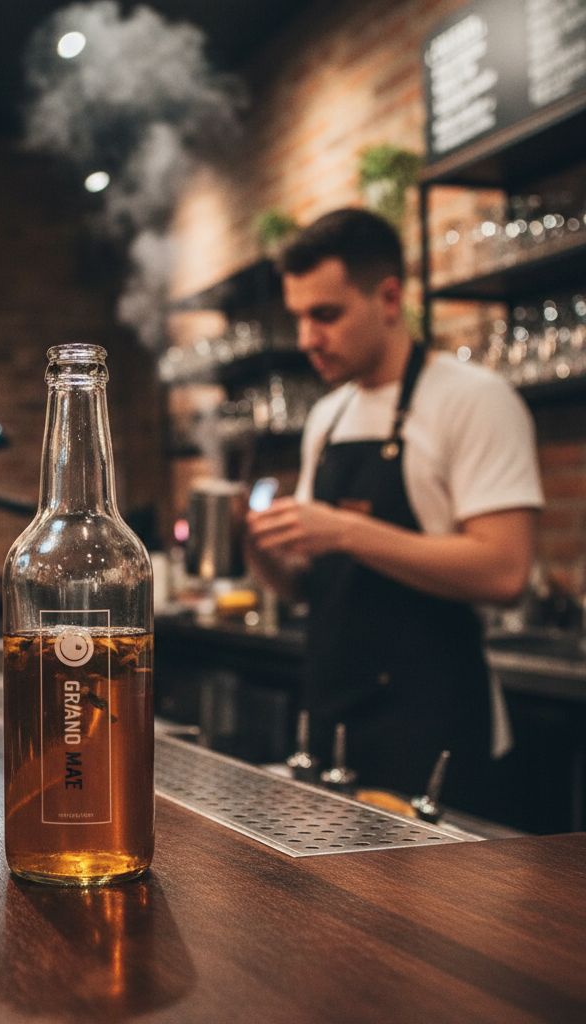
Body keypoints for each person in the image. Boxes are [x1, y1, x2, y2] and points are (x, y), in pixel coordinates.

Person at [246, 208, 543, 807]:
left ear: (388, 298)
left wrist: (347, 530)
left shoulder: (474, 400)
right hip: (334, 719)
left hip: (435, 730)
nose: (307, 339)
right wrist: (261, 549)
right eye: (299, 318)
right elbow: (310, 589)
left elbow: (505, 573)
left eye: (325, 315)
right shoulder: (328, 418)